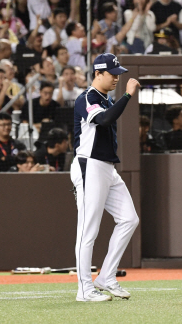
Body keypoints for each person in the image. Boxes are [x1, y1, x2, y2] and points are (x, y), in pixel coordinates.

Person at [71, 52, 140, 302]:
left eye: (117, 75)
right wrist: (128, 95)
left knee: (129, 219)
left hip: (107, 168)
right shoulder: (87, 98)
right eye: (112, 74)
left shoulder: (105, 98)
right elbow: (104, 119)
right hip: (89, 166)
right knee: (88, 230)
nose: (116, 79)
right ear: (98, 73)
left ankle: (106, 277)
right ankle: (84, 290)